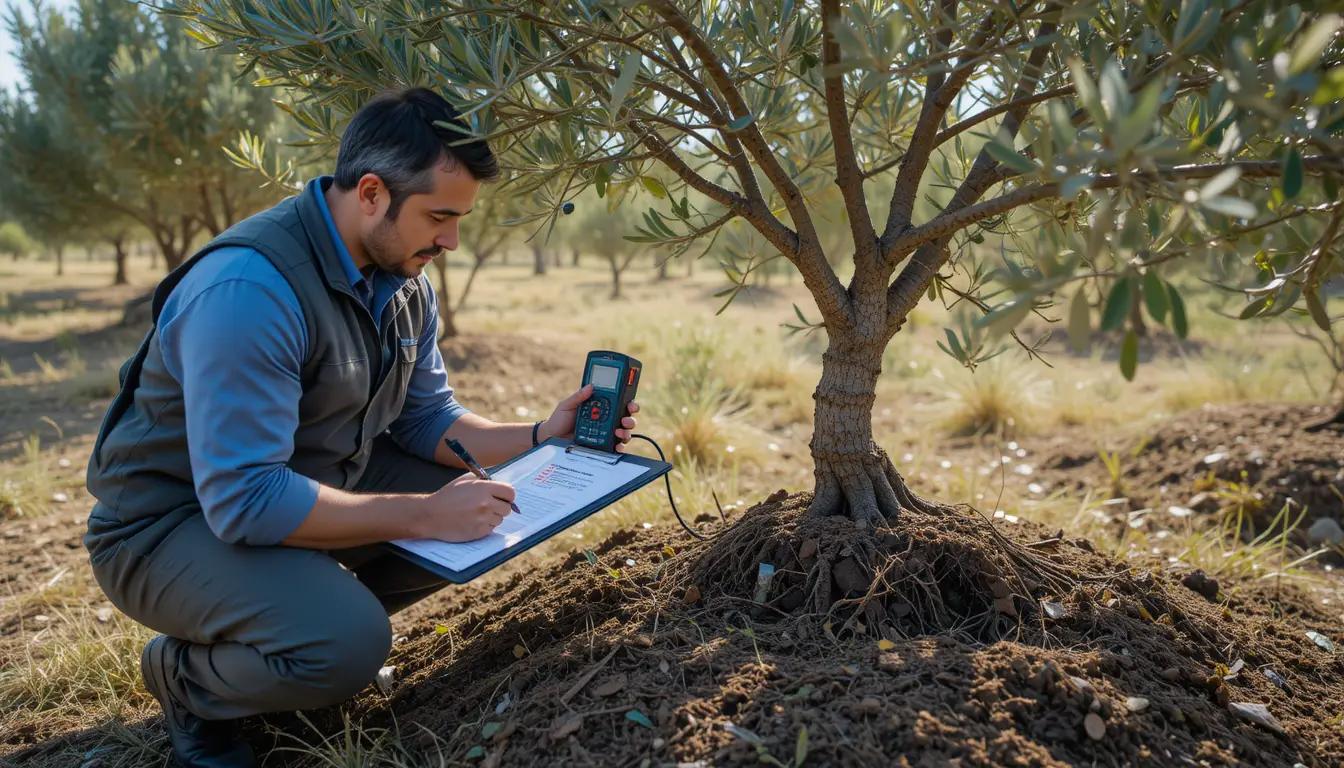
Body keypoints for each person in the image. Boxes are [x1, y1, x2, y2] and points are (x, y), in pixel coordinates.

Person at [82, 87, 639, 768]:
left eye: (460, 219)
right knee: (349, 643)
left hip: (293, 488)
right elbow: (244, 499)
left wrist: (539, 434)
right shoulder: (250, 292)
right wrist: (425, 515)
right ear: (371, 193)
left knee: (485, 499)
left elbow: (429, 420)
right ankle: (192, 679)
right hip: (169, 525)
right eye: (439, 216)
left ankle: (293, 632)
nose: (451, 240)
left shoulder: (404, 278)